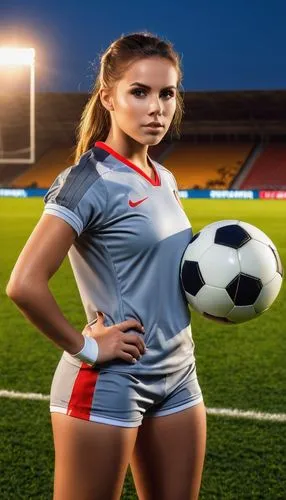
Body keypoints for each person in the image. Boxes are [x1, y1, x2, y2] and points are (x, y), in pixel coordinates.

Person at [6, 32, 206, 500]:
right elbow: (24, 284)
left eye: (167, 93)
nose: (156, 106)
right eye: (140, 91)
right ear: (109, 98)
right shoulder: (88, 179)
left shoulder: (166, 177)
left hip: (179, 374)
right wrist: (87, 349)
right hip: (112, 382)